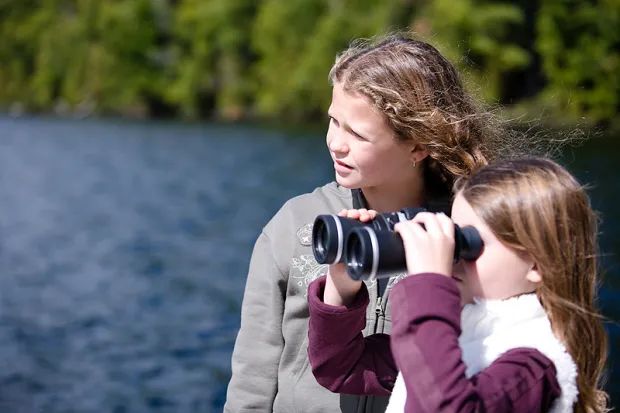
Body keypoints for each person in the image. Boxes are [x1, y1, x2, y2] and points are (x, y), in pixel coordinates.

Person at [224, 33, 504, 413]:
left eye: (357, 133)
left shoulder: (464, 233)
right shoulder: (295, 224)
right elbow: (253, 372)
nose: (336, 143)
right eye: (333, 121)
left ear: (419, 146)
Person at [307, 157, 609, 412]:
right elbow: (342, 368)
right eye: (453, 234)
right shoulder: (459, 330)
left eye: (470, 243)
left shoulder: (536, 367)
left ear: (536, 265)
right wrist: (342, 283)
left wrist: (429, 285)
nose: (452, 253)